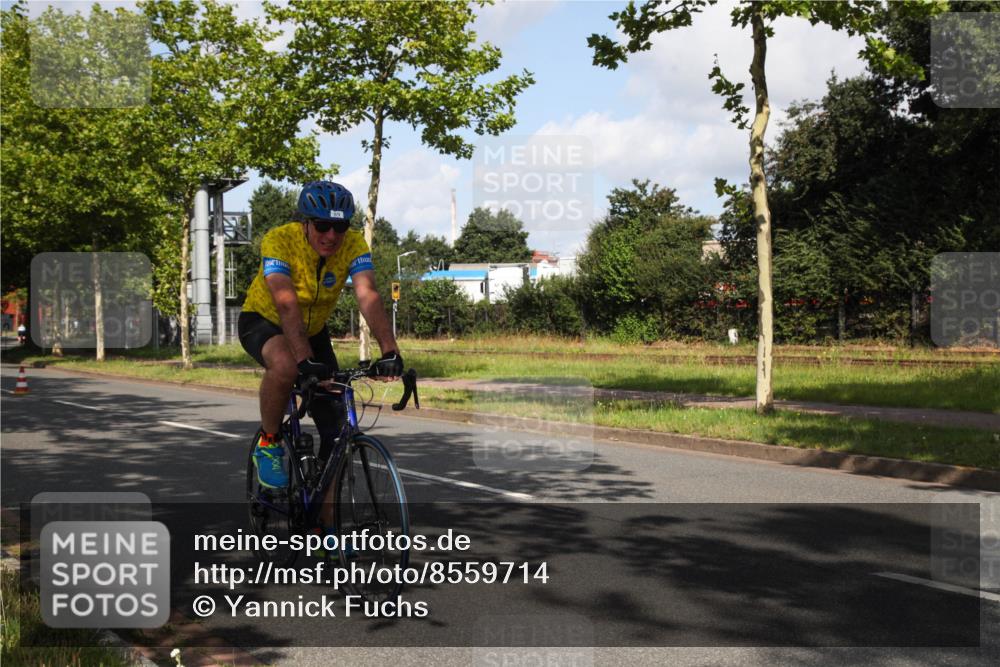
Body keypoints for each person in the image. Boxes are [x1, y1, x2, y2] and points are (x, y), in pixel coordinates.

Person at [238, 181, 403, 490]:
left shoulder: (354, 245)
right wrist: (305, 361)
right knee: (286, 366)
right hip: (264, 320)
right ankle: (270, 442)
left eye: (339, 226)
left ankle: (323, 529)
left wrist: (390, 351)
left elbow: (367, 294)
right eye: (322, 225)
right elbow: (285, 302)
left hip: (312, 330)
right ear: (306, 222)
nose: (331, 235)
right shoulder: (279, 240)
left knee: (338, 433)